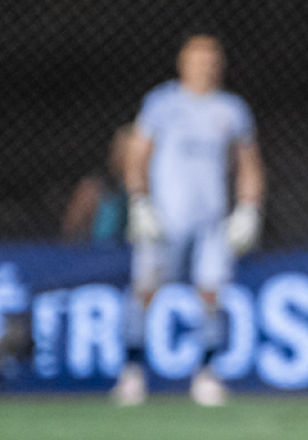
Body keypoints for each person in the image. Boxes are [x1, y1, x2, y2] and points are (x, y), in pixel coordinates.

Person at [112, 33, 266, 407]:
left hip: (211, 222)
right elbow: (137, 155)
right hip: (164, 220)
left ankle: (206, 374)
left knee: (212, 296)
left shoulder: (231, 109)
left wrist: (248, 209)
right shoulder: (160, 104)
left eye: (212, 59)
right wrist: (139, 200)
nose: (205, 66)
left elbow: (248, 165)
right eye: (198, 59)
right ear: (183, 63)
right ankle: (132, 372)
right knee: (145, 291)